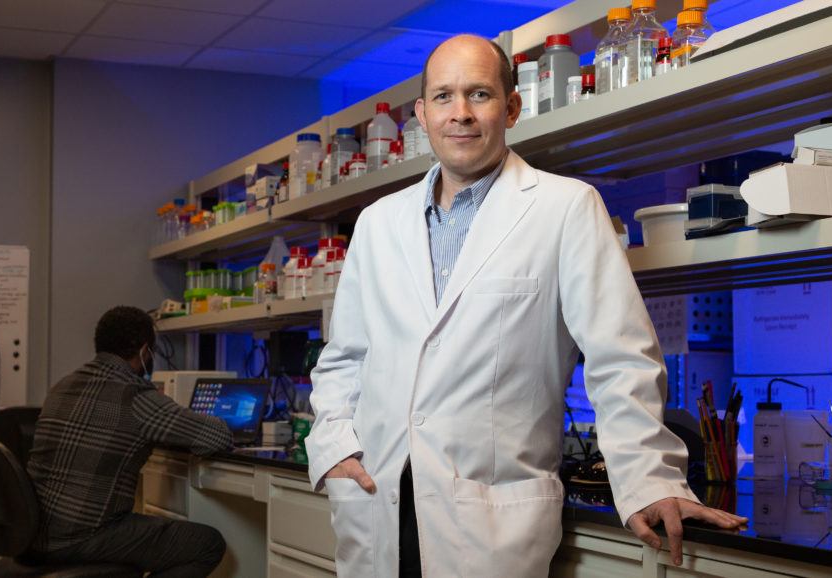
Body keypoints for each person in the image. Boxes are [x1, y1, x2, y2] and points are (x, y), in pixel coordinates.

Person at [305, 35, 747, 577]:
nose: (460, 114)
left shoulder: (566, 208)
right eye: (443, 97)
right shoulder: (378, 223)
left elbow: (620, 358)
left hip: (489, 525)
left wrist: (649, 480)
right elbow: (344, 358)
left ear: (511, 107)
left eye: (480, 95)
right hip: (377, 507)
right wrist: (332, 448)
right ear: (421, 114)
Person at [27, 305, 233, 577]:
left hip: (33, 531)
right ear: (144, 351)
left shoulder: (62, 386)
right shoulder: (136, 396)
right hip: (82, 537)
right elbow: (218, 436)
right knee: (206, 544)